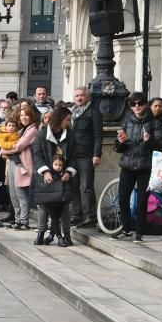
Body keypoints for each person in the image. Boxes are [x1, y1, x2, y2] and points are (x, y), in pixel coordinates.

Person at [113, 93, 162, 242]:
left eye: (140, 103)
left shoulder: (154, 123)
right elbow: (118, 148)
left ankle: (139, 232)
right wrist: (121, 142)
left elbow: (161, 146)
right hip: (128, 165)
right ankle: (127, 229)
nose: (136, 106)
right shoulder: (127, 121)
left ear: (145, 104)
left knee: (142, 201)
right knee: (123, 199)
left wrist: (149, 141)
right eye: (133, 103)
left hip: (145, 167)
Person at [33, 105, 77, 247]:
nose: (68, 123)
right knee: (44, 206)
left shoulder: (70, 135)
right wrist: (45, 171)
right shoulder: (42, 134)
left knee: (65, 206)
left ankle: (66, 235)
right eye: (67, 120)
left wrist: (69, 171)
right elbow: (37, 155)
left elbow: (74, 156)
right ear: (60, 119)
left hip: (63, 176)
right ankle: (40, 234)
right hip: (46, 176)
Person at [0, 105, 40, 230]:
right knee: (13, 194)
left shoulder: (32, 130)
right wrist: (4, 150)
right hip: (13, 163)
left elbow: (18, 146)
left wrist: (3, 150)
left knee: (21, 195)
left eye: (26, 115)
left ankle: (24, 221)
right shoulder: (22, 130)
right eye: (21, 115)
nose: (23, 117)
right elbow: (11, 144)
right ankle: (17, 219)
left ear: (31, 116)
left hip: (23, 165)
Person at [69, 87, 104, 227]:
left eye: (82, 95)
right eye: (76, 95)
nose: (79, 98)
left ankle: (90, 216)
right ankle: (76, 214)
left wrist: (96, 154)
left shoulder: (93, 113)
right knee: (73, 186)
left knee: (87, 186)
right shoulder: (71, 113)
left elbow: (98, 135)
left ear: (88, 97)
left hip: (86, 155)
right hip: (71, 155)